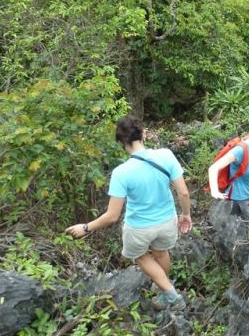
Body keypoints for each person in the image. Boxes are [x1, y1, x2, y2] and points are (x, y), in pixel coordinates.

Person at [65, 115, 192, 311]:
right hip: (167, 221)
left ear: (121, 141)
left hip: (139, 228)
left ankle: (171, 294)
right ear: (143, 134)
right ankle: (164, 288)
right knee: (161, 252)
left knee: (141, 256)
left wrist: (85, 227)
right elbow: (183, 192)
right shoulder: (166, 155)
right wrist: (186, 215)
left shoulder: (121, 172)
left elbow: (112, 216)